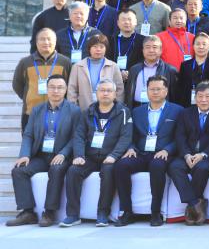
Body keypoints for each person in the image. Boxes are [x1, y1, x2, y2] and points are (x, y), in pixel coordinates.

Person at [7, 74, 82, 227]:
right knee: (19, 171)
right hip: (42, 155)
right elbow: (28, 134)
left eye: (60, 87)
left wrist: (63, 153)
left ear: (65, 90)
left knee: (56, 169)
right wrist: (25, 154)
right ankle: (28, 212)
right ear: (47, 89)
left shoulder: (74, 111)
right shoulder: (37, 110)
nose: (56, 91)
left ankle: (49, 212)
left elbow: (76, 137)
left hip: (62, 155)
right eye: (52, 87)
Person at [113, 75, 184, 226]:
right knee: (121, 166)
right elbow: (130, 134)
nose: (155, 92)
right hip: (140, 152)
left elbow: (180, 137)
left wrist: (167, 150)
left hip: (162, 153)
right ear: (147, 91)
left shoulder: (177, 111)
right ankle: (127, 212)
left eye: (158, 89)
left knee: (157, 165)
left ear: (166, 91)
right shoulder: (137, 111)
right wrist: (131, 148)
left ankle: (155, 212)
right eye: (152, 89)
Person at [62, 78, 132, 227]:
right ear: (96, 93)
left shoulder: (124, 112)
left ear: (115, 94)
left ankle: (103, 213)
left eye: (109, 91)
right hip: (90, 156)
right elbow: (79, 135)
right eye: (102, 90)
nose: (105, 93)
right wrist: (79, 155)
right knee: (73, 171)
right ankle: (73, 215)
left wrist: (114, 155)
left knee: (109, 171)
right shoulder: (87, 112)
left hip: (110, 157)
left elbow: (126, 137)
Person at [168, 80, 209, 226]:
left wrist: (203, 154)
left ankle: (192, 207)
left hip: (207, 156)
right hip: (187, 154)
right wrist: (186, 155)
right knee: (174, 167)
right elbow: (180, 136)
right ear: (195, 97)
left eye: (207, 96)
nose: (203, 100)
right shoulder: (185, 113)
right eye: (200, 96)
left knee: (202, 168)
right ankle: (195, 203)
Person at [14, 28, 73, 129]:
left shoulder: (65, 62)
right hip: (31, 113)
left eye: (49, 39)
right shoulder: (25, 62)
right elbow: (17, 85)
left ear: (55, 42)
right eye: (42, 39)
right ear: (36, 42)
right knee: (30, 139)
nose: (46, 42)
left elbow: (70, 86)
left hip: (59, 113)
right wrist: (29, 97)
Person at [67, 34, 123, 111]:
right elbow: (72, 90)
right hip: (83, 109)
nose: (98, 49)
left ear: (106, 49)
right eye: (95, 47)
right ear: (89, 48)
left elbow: (119, 90)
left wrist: (116, 109)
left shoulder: (113, 66)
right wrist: (74, 109)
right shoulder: (77, 66)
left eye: (101, 47)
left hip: (109, 110)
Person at [124, 36, 179, 108]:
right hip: (136, 108)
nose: (151, 50)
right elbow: (128, 94)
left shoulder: (170, 70)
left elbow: (174, 96)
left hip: (161, 109)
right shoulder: (134, 69)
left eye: (155, 47)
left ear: (161, 50)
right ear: (143, 50)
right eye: (147, 47)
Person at [177, 33, 209, 108]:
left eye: (204, 44)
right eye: (198, 44)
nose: (201, 47)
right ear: (193, 46)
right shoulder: (185, 65)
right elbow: (180, 89)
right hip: (188, 106)